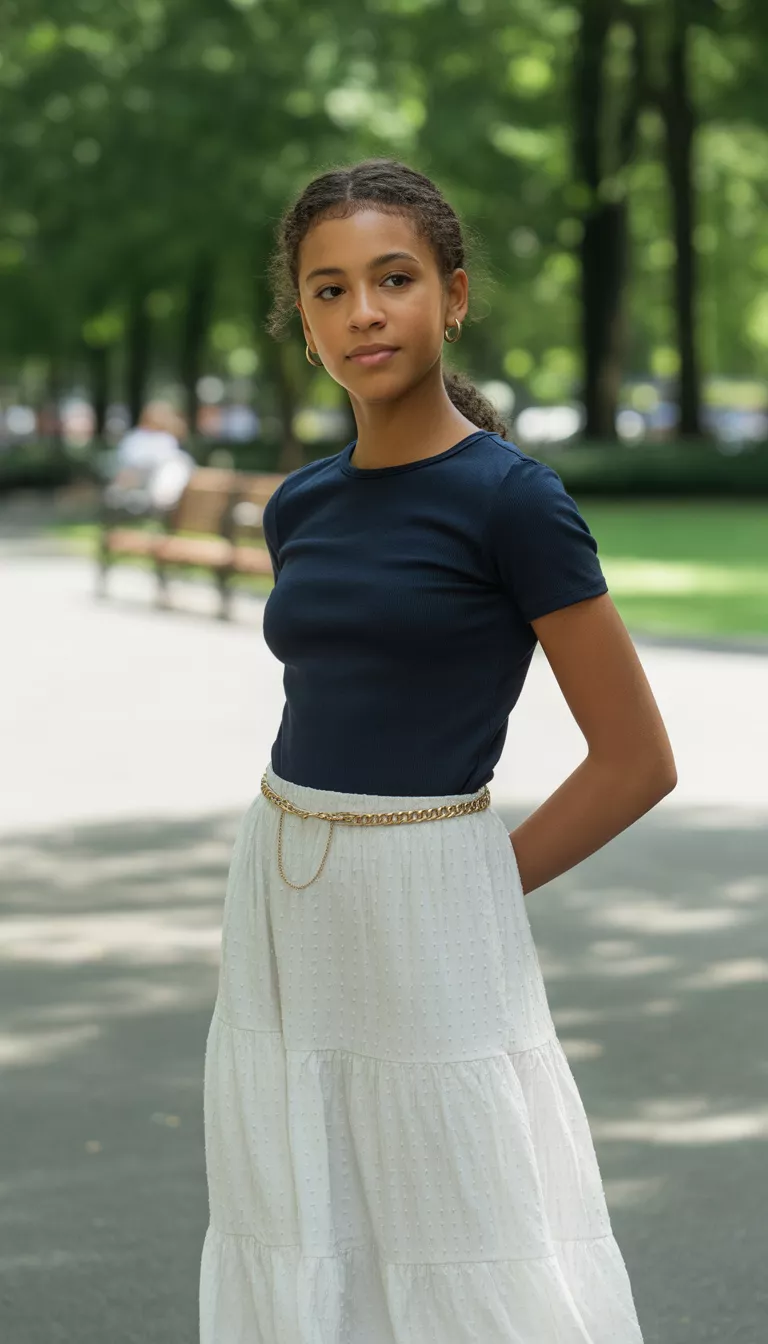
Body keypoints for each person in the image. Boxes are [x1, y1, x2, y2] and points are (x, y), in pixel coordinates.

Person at [198, 158, 676, 1343]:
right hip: (282, 886)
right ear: (302, 323)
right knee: (303, 1194)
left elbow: (636, 760)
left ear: (452, 297)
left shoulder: (512, 502)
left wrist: (467, 884)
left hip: (430, 894)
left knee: (470, 1208)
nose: (364, 311)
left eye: (394, 278)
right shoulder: (299, 504)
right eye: (329, 289)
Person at [104, 401, 194, 514]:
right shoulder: (135, 437)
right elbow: (128, 460)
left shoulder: (167, 439)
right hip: (134, 475)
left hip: (156, 478)